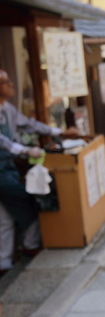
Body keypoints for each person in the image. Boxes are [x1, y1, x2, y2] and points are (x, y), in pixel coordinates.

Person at [0, 68, 63, 273]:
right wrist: (27, 150)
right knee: (29, 201)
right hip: (3, 172)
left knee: (5, 219)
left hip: (7, 168)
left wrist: (58, 131)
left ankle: (4, 262)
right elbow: (4, 143)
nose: (11, 85)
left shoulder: (7, 109)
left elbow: (29, 124)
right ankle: (29, 245)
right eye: (5, 82)